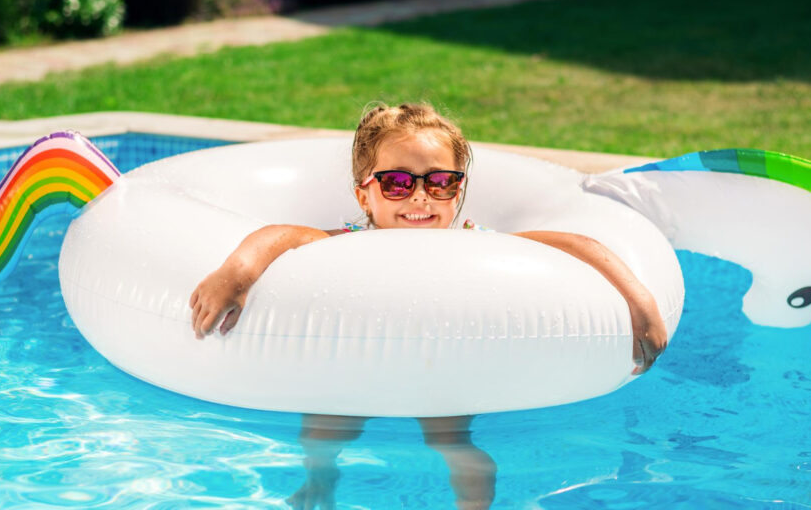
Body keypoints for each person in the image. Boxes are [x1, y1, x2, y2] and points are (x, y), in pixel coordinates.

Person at [189, 103, 668, 509]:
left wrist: (638, 298)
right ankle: (320, 482)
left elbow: (570, 243)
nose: (419, 196)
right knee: (321, 435)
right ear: (364, 194)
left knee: (455, 446)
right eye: (397, 182)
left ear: (459, 189)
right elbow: (282, 235)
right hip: (353, 365)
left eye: (440, 182)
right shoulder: (346, 245)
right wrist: (238, 273)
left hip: (439, 368)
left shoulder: (472, 245)